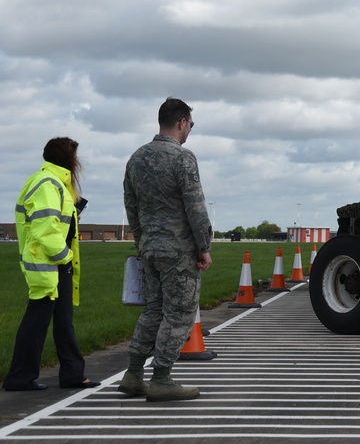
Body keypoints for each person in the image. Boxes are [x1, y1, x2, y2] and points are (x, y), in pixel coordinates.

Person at [119, 98, 213, 402]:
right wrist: (204, 246)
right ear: (182, 123)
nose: (189, 132)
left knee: (154, 310)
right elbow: (195, 207)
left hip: (150, 248)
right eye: (190, 125)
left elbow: (130, 206)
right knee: (180, 313)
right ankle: (161, 378)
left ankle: (134, 374)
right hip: (179, 251)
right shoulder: (182, 158)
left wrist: (141, 240)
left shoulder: (136, 158)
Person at [3, 137, 100, 392]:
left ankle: (72, 374)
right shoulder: (48, 183)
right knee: (36, 323)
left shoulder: (57, 183)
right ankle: (19, 378)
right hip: (48, 265)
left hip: (55, 264)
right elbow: (45, 230)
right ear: (69, 159)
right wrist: (64, 256)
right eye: (75, 156)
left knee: (63, 322)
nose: (78, 161)